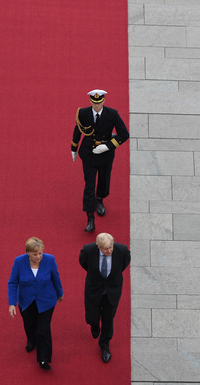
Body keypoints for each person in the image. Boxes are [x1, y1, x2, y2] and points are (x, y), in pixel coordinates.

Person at [72, 89, 130, 233]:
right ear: (90, 102)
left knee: (104, 180)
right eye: (94, 103)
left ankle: (100, 199)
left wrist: (107, 146)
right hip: (89, 153)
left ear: (103, 101)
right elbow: (78, 130)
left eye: (99, 103)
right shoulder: (83, 113)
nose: (96, 106)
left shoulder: (112, 114)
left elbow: (124, 134)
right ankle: (90, 218)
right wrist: (73, 148)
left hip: (105, 154)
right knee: (89, 184)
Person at [8, 237, 64, 370]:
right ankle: (31, 339)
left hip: (46, 301)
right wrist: (12, 303)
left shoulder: (50, 260)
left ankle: (43, 359)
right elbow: (13, 282)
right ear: (28, 252)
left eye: (40, 253)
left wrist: (60, 293)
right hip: (26, 301)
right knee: (29, 324)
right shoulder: (19, 262)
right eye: (35, 254)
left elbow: (55, 277)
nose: (38, 256)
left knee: (43, 330)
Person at [79, 232, 131, 363]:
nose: (109, 250)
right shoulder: (88, 250)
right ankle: (94, 325)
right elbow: (83, 263)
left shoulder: (122, 251)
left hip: (112, 291)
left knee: (108, 319)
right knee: (92, 317)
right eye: (106, 248)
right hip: (94, 289)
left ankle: (104, 345)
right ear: (98, 247)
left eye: (111, 247)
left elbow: (124, 265)